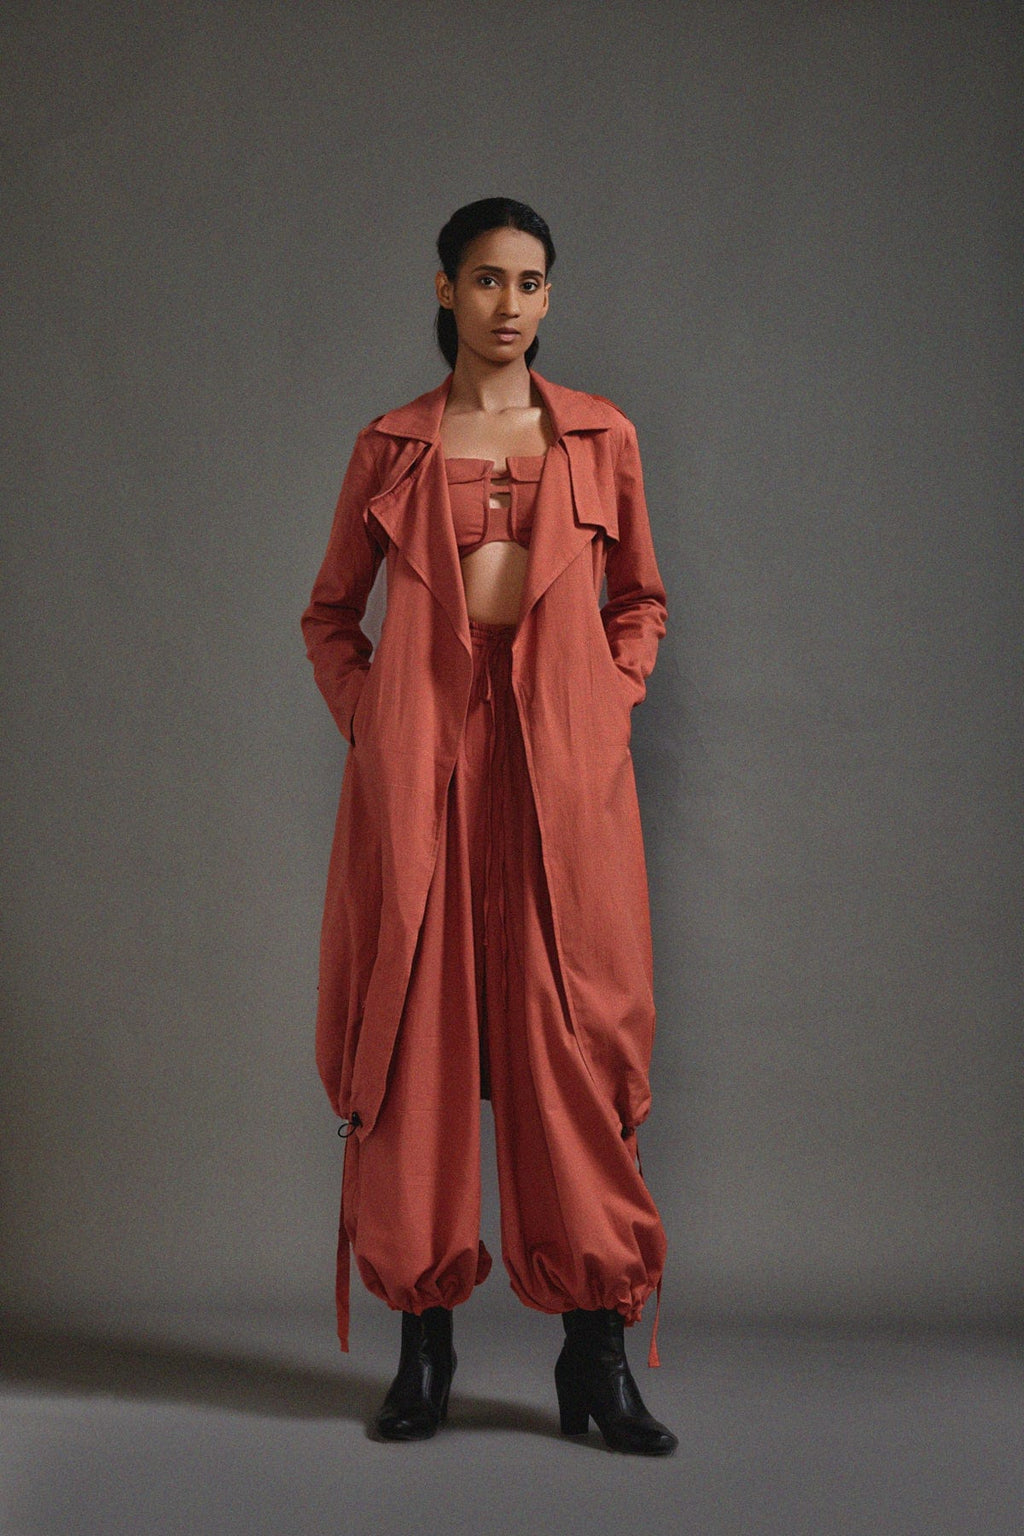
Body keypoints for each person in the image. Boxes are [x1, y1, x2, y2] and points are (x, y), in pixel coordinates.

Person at [301, 197, 676, 1455]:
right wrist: (378, 724)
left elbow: (641, 600)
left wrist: (606, 706)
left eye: (528, 282)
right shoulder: (390, 447)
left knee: (572, 1037)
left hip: (559, 772)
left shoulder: (601, 437)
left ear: (548, 297)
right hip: (424, 776)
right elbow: (329, 616)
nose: (507, 303)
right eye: (484, 279)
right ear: (445, 290)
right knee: (416, 1036)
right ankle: (425, 1352)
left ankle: (595, 1357)